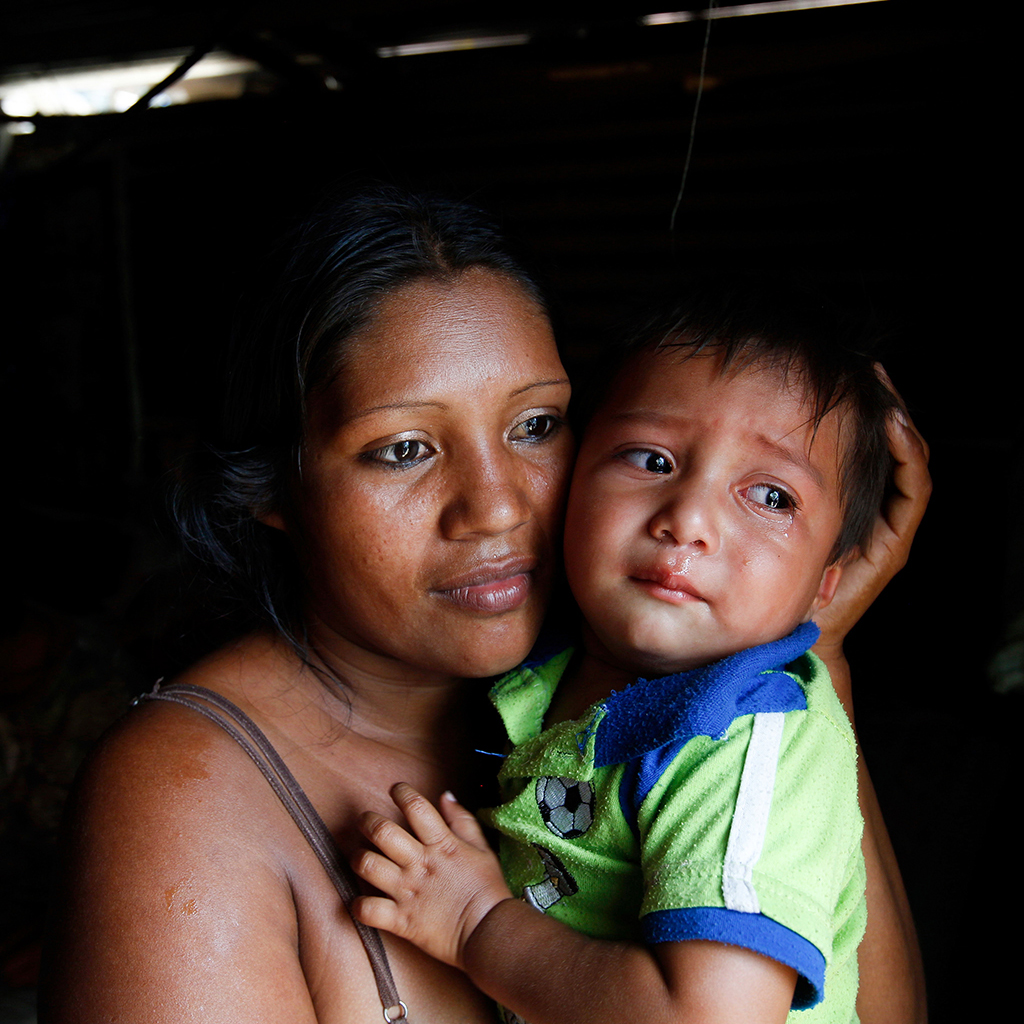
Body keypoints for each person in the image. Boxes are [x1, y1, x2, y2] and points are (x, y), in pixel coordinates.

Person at [38, 188, 928, 1024]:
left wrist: (813, 653)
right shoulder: (183, 799)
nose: (497, 506)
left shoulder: (636, 699)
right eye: (405, 448)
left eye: (536, 426)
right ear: (277, 484)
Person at [348, 293, 917, 1024]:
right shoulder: (538, 664)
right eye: (652, 459)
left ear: (824, 588)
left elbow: (707, 1016)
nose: (688, 519)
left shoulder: (745, 743)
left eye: (770, 496)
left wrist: (475, 922)